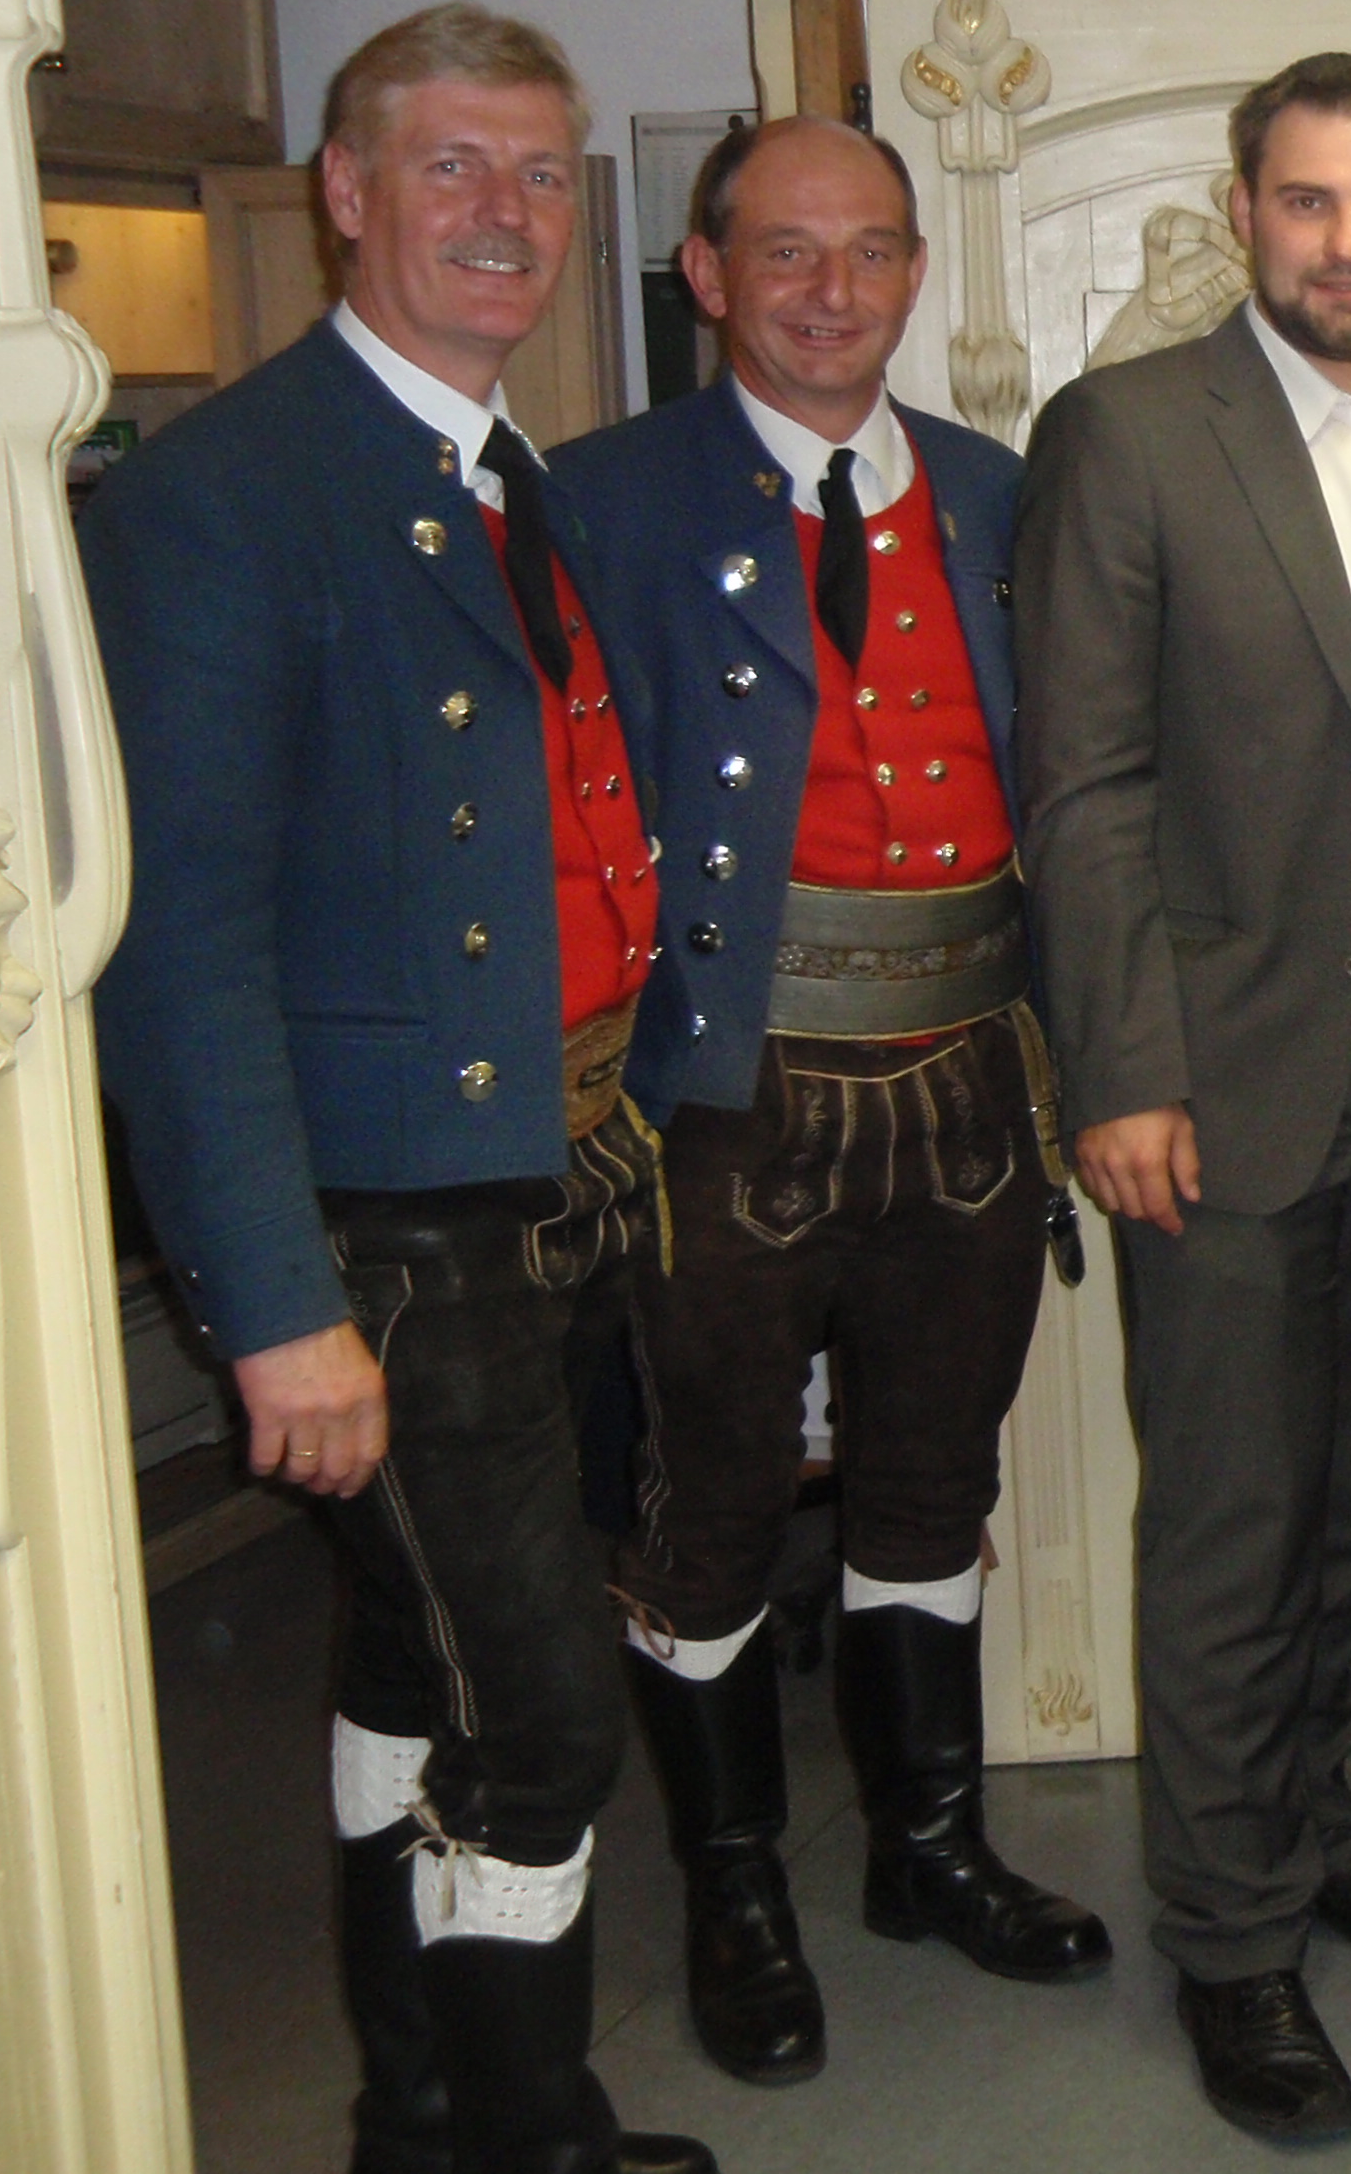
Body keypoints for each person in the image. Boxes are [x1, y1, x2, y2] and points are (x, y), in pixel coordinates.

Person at [78, 3, 712, 2174]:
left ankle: (417, 2111)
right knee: (539, 1709)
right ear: (344, 191)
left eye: (537, 172)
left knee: (411, 1656)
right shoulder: (225, 500)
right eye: (449, 165)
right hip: (394, 1224)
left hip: (552, 1161)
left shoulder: (510, 466)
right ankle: (525, 2138)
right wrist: (276, 1307)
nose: (502, 214)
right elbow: (179, 949)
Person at [1015, 52, 1351, 2144]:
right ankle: (1234, 1945)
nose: (1348, 242)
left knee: (1347, 1497)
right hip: (1219, 1085)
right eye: (1309, 202)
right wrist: (1123, 1069)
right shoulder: (1131, 434)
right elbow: (1086, 787)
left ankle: (1318, 1835)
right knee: (1233, 1526)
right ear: (1246, 212)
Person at [555, 115, 1107, 2094]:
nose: (830, 290)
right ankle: (735, 1892)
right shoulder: (598, 499)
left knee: (933, 1482)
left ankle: (924, 1850)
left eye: (870, 249)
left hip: (971, 1072)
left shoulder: (1005, 493)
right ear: (706, 273)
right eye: (784, 251)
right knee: (707, 1506)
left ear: (916, 273)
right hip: (724, 1093)